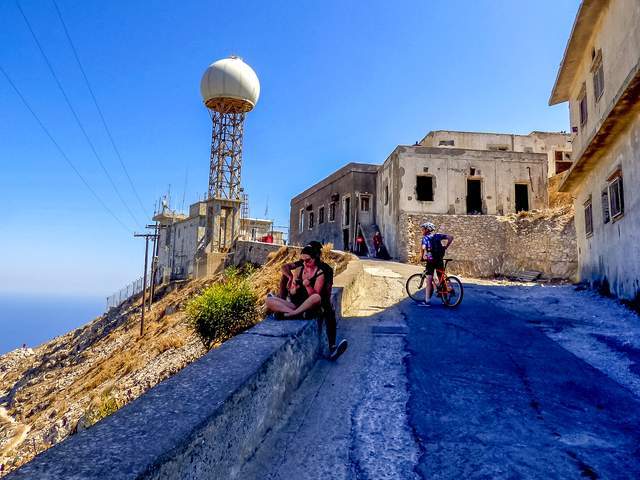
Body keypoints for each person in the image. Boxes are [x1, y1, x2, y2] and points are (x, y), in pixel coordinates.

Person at [266, 241, 348, 360]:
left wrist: (307, 286)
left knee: (329, 313)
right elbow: (284, 268)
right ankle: (286, 310)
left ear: (316, 256)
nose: (304, 262)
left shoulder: (324, 270)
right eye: (303, 259)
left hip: (316, 300)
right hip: (298, 302)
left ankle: (332, 347)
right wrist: (292, 281)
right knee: (269, 300)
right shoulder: (303, 263)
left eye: (307, 259)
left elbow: (322, 292)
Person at [419, 222, 453, 306]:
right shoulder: (437, 235)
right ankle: (445, 300)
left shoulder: (425, 238)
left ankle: (427, 301)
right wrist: (446, 247)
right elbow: (451, 237)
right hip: (439, 260)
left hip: (431, 261)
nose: (422, 231)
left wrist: (422, 257)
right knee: (441, 278)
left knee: (429, 280)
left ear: (427, 230)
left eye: (423, 229)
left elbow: (423, 247)